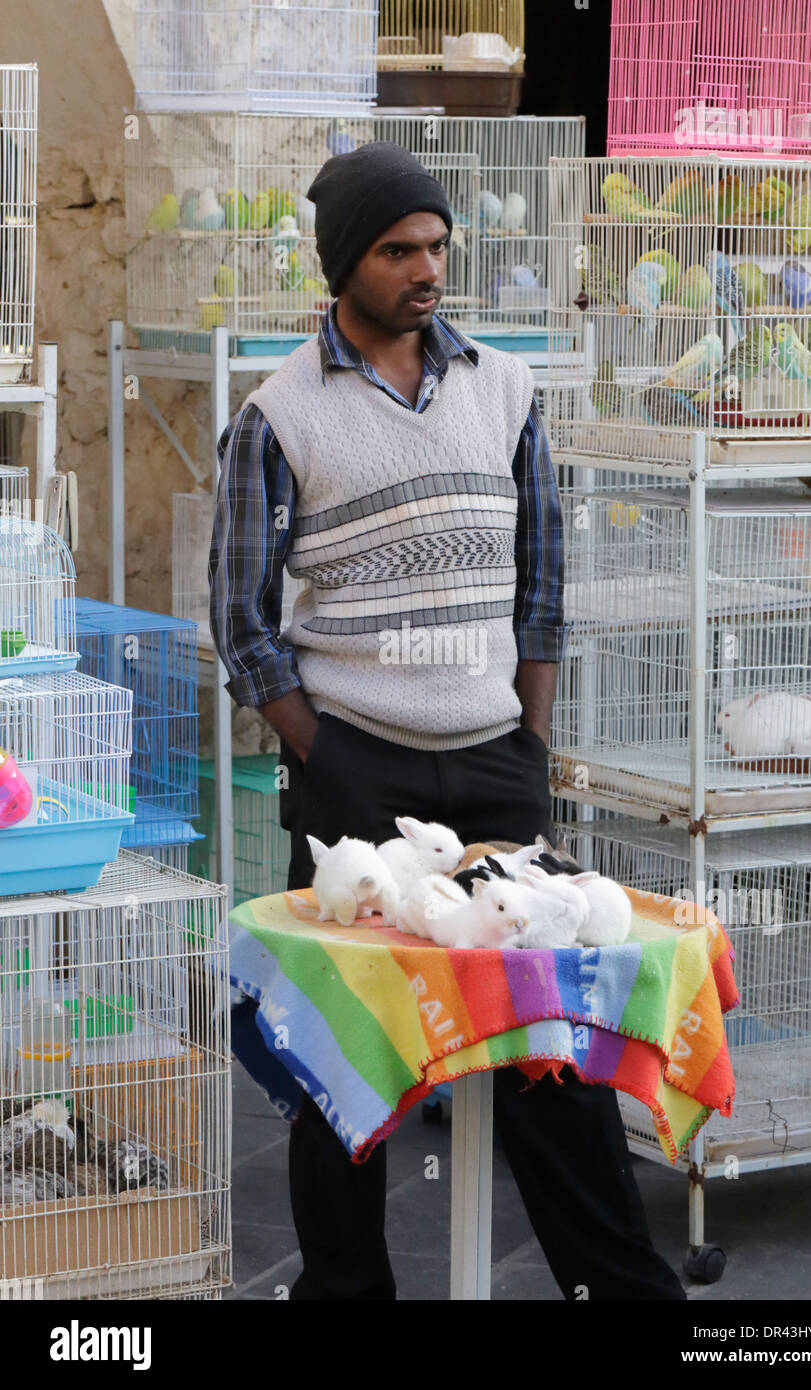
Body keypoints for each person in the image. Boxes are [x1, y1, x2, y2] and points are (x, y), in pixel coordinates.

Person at [209, 141, 686, 1302]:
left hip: (495, 764)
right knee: (347, 1053)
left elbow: (542, 582)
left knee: (546, 1050)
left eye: (434, 246)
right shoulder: (277, 415)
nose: (426, 269)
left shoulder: (504, 389)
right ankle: (343, 1291)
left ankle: (619, 1288)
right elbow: (237, 607)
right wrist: (316, 740)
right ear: (344, 265)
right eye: (396, 250)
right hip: (354, 773)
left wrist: (527, 734)